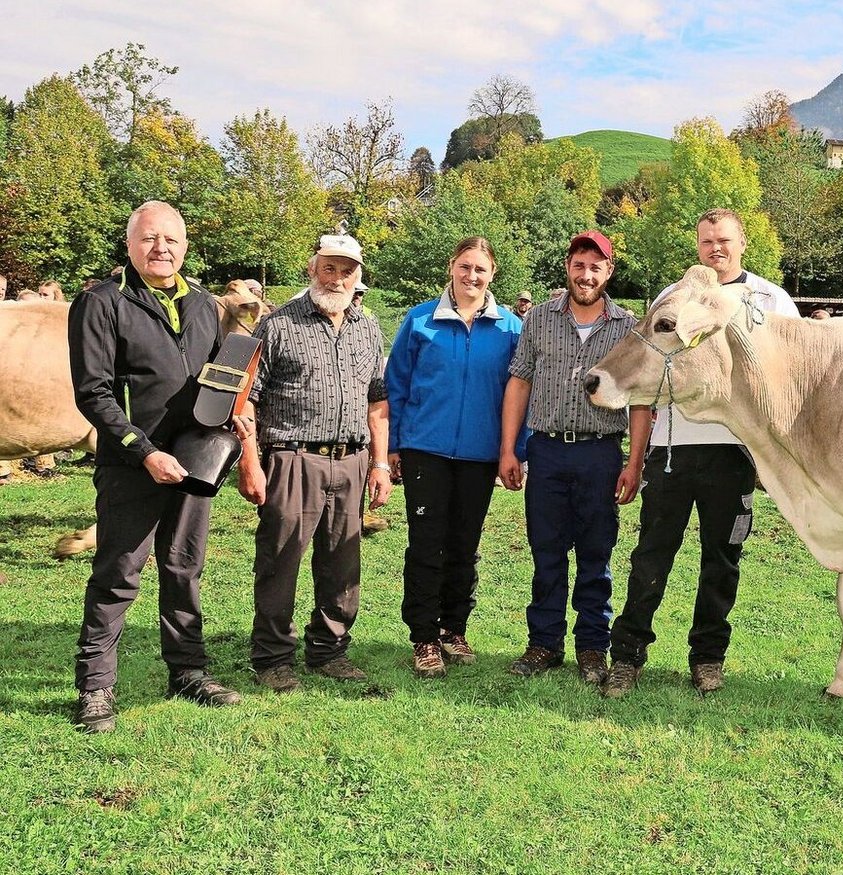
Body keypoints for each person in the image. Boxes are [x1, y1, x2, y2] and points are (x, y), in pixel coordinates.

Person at [603, 209, 798, 698]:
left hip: (734, 456)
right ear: (697, 245)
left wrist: (774, 459)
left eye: (724, 240)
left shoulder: (771, 300)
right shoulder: (672, 298)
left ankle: (708, 658)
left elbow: (793, 382)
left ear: (743, 243)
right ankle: (627, 656)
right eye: (707, 240)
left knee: (722, 561)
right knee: (651, 556)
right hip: (672, 450)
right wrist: (635, 459)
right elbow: (642, 380)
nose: (716, 248)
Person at [69, 200, 241, 733]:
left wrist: (235, 415)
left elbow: (219, 380)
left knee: (184, 567)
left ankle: (188, 671)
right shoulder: (101, 302)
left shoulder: (205, 305)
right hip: (132, 464)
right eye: (148, 238)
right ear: (130, 245)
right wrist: (144, 451)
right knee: (119, 573)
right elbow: (93, 393)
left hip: (193, 462)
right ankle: (96, 687)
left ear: (185, 246)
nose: (160, 248)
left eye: (170, 239)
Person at [234, 234, 393, 692]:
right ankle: (273, 659)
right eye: (329, 268)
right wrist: (250, 462)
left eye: (347, 271)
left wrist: (380, 464)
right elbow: (246, 400)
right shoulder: (276, 326)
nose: (337, 278)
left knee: (342, 563)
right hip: (293, 458)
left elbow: (377, 401)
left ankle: (329, 651)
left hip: (352, 459)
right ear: (312, 270)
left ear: (358, 277)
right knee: (280, 561)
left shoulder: (367, 327)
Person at [497, 230, 650, 684]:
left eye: (595, 267)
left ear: (609, 271)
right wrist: (509, 449)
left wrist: (634, 463)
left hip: (600, 453)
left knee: (595, 554)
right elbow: (519, 381)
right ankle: (544, 643)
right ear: (568, 267)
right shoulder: (538, 318)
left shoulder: (627, 327)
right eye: (579, 265)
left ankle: (592, 647)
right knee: (546, 551)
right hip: (546, 450)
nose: (586, 275)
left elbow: (641, 400)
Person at [385, 237, 523, 678]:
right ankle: (424, 636)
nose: (472, 276)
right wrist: (393, 445)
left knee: (465, 545)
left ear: (493, 273)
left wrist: (515, 450)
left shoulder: (511, 328)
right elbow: (396, 384)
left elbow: (521, 394)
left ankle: (453, 629)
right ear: (451, 267)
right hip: (425, 449)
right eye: (465, 266)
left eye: (480, 269)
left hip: (480, 455)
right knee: (427, 544)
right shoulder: (420, 319)